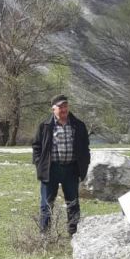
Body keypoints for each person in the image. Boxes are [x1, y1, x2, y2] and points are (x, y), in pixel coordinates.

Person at [31, 94, 91, 235]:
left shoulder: (78, 125)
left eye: (65, 106)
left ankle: (74, 234)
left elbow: (85, 148)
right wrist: (40, 163)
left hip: (71, 170)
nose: (64, 109)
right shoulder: (44, 126)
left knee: (73, 204)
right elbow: (36, 147)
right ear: (53, 109)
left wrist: (84, 164)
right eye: (60, 107)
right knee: (46, 204)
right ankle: (44, 235)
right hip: (51, 170)